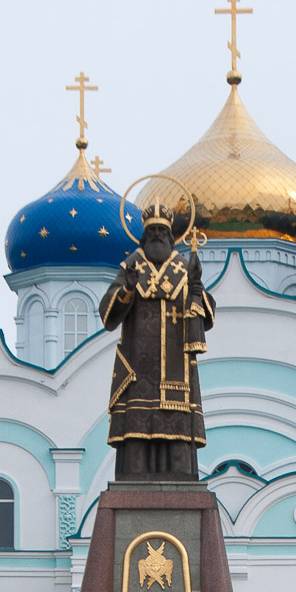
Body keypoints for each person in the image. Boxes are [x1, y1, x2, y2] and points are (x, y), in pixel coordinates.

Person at [99, 200, 215, 480]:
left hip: (177, 365)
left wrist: (197, 291)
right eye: (153, 232)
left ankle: (179, 478)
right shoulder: (131, 266)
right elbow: (108, 315)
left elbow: (207, 316)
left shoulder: (185, 268)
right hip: (138, 365)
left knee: (176, 433)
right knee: (136, 435)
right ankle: (135, 478)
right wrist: (127, 287)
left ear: (171, 235)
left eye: (163, 231)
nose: (158, 237)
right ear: (144, 234)